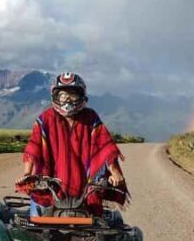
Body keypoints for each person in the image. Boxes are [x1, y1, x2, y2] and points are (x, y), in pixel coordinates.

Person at [18, 72, 127, 216]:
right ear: (55, 96)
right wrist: (27, 174)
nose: (67, 100)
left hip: (84, 188)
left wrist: (115, 173)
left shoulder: (90, 117)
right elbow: (33, 148)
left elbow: (104, 146)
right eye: (63, 95)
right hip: (49, 186)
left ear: (81, 96)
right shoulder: (45, 119)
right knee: (37, 221)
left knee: (97, 223)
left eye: (72, 95)